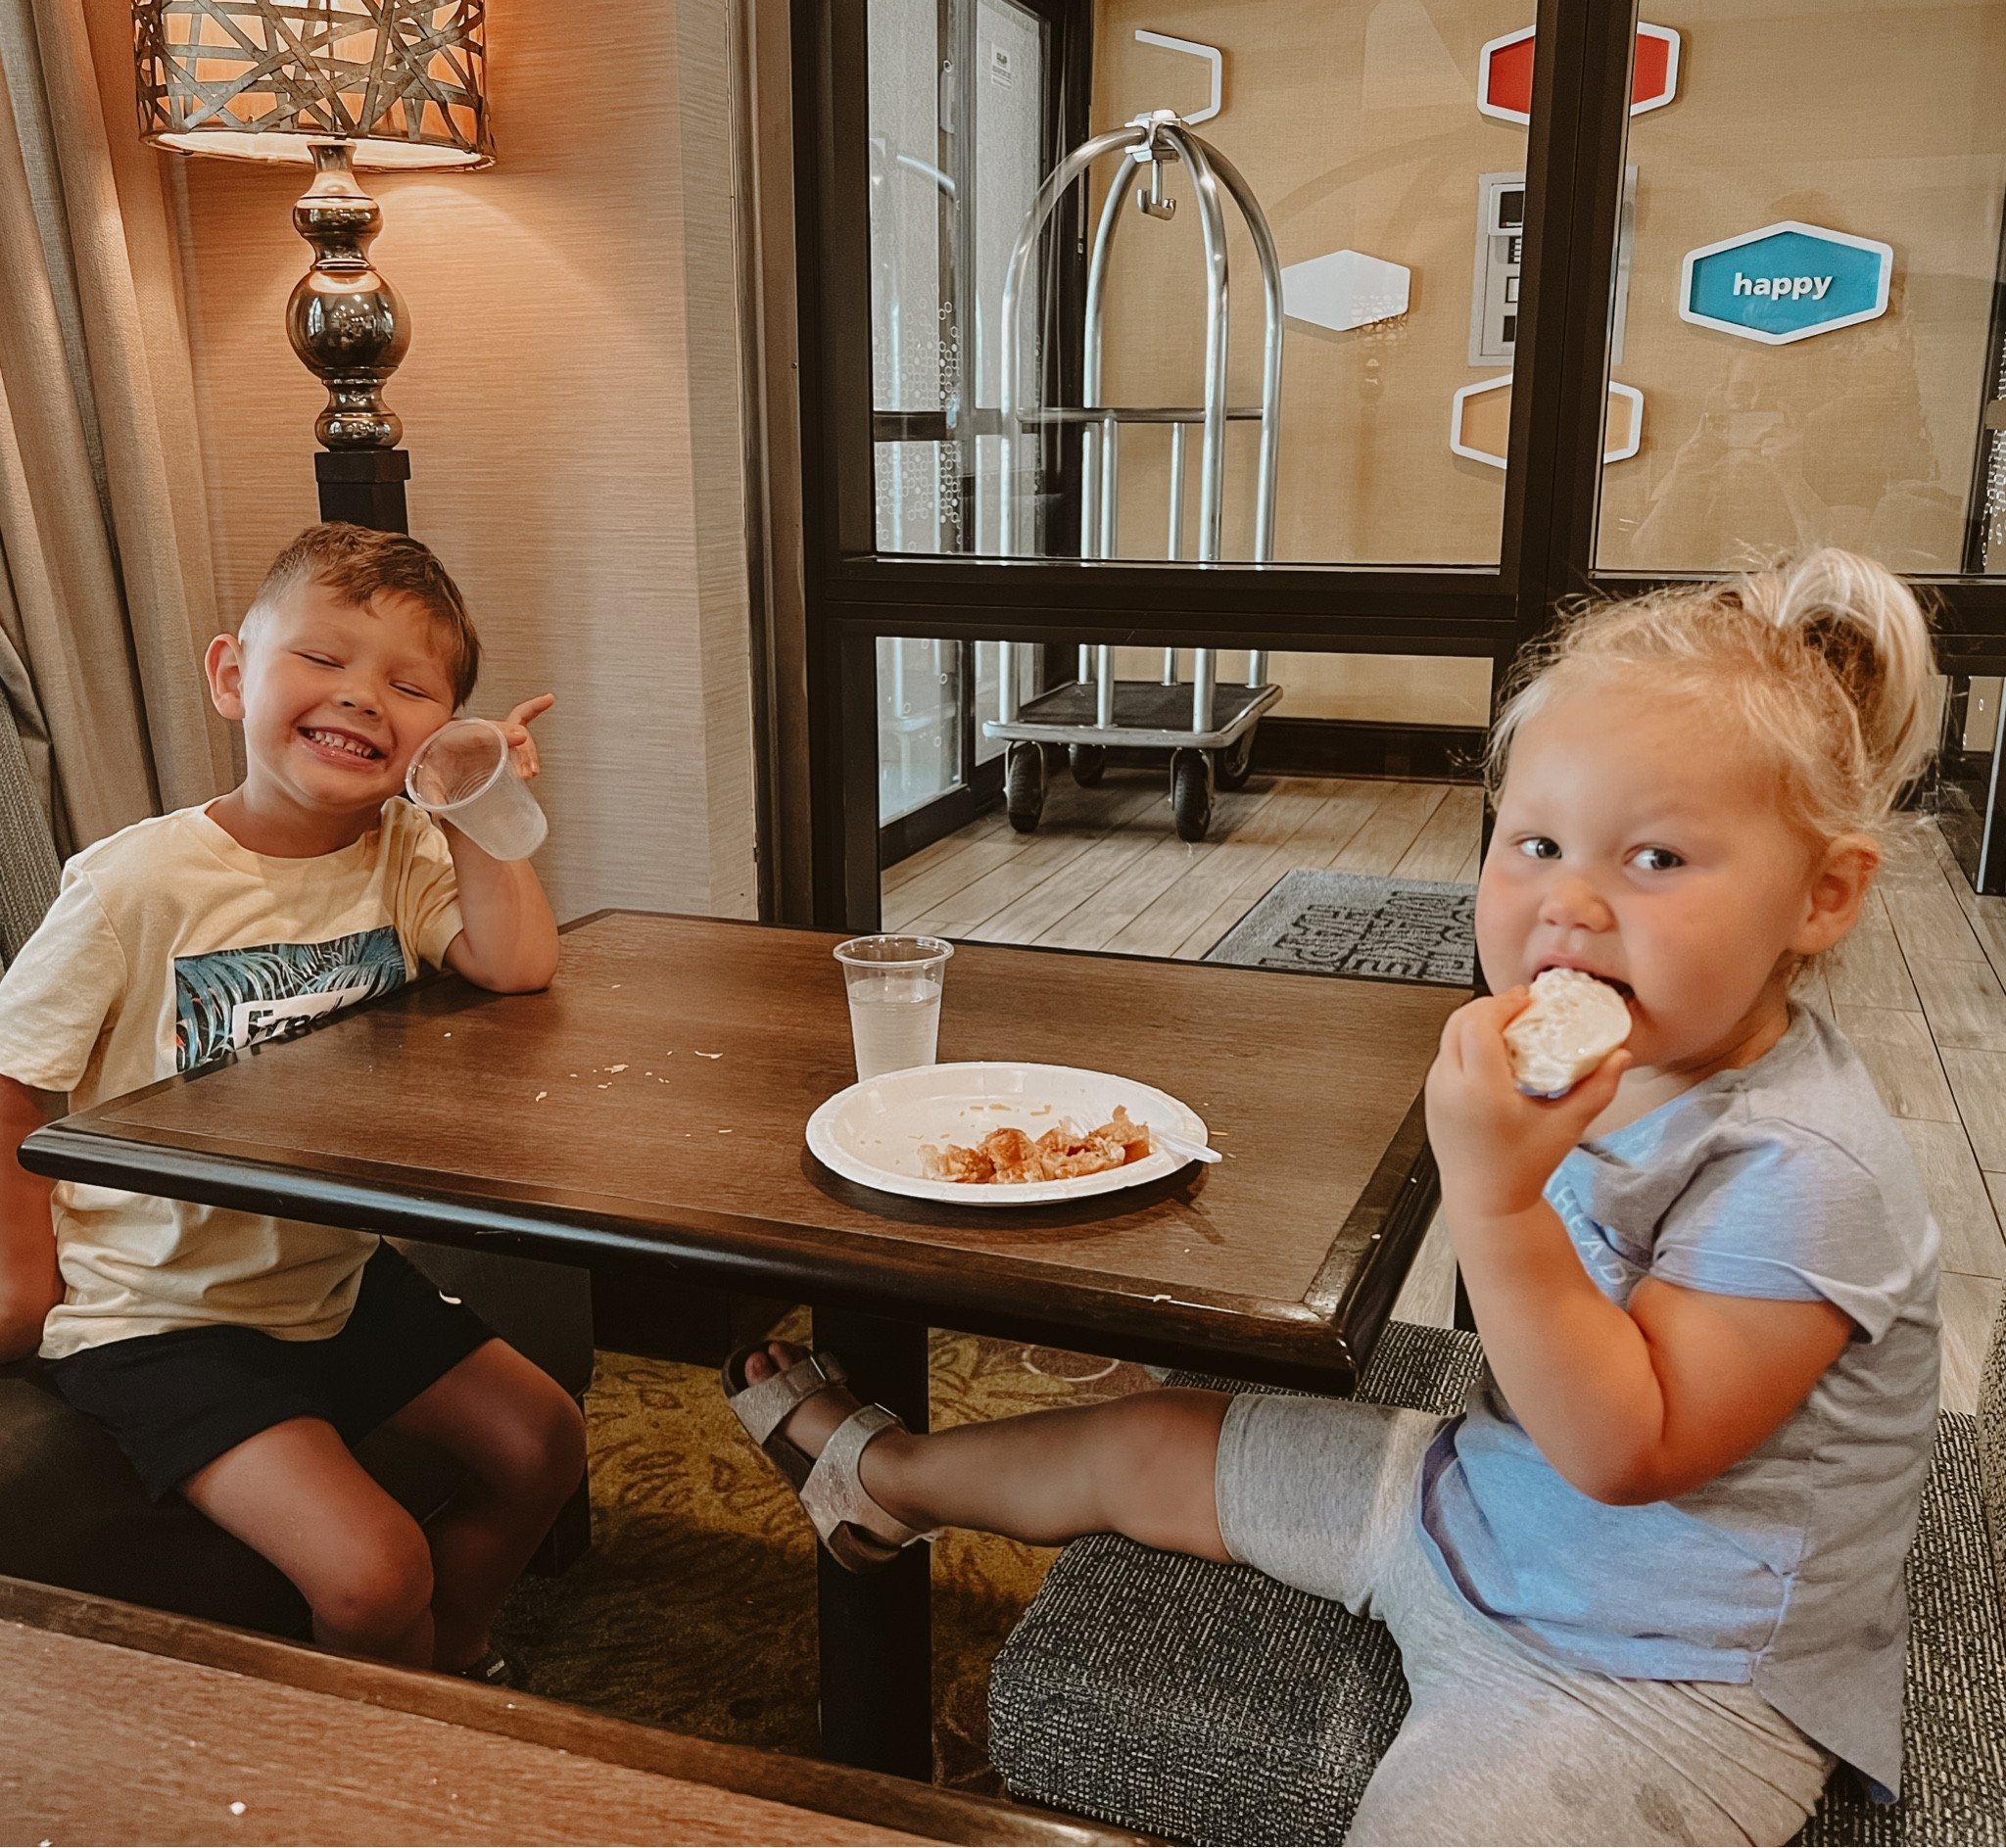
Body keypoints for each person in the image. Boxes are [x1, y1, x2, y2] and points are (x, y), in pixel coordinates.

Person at [724, 549, 1941, 1845]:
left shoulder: (1810, 1170)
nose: (1569, 903)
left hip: (1662, 1669)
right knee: (1156, 1436)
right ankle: (889, 1479)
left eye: (1654, 857)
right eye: (1535, 842)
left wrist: (1498, 1195)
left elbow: (1626, 1444)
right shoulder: (1624, 1058)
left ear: (1823, 894)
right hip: (1472, 1503)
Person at [0, 523, 584, 1680]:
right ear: (232, 674)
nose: (363, 697)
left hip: (329, 1273)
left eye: (409, 686)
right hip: (159, 1312)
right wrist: (23, 1269)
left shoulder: (407, 852)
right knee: (372, 1574)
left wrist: (477, 803)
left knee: (543, 1441)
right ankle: (397, 1743)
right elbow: (15, 1065)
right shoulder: (134, 882)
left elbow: (515, 961)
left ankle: (454, 1664)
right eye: (321, 660)